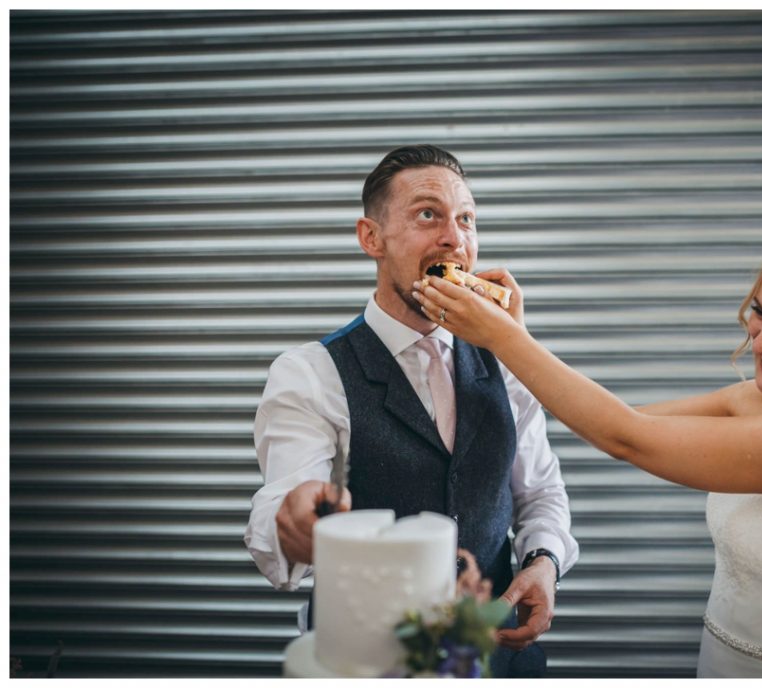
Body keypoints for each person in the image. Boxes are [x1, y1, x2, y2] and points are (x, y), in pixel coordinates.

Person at [414, 214, 762, 678]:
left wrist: (505, 340)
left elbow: (626, 439)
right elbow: (616, 421)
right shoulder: (758, 402)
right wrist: (518, 334)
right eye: (761, 313)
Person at [244, 144, 579, 678]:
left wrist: (544, 563)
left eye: (466, 219)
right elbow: (279, 508)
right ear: (370, 238)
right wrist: (293, 519)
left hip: (500, 660)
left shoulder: (508, 356)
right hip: (373, 665)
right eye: (429, 215)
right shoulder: (309, 372)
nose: (455, 238)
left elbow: (540, 491)